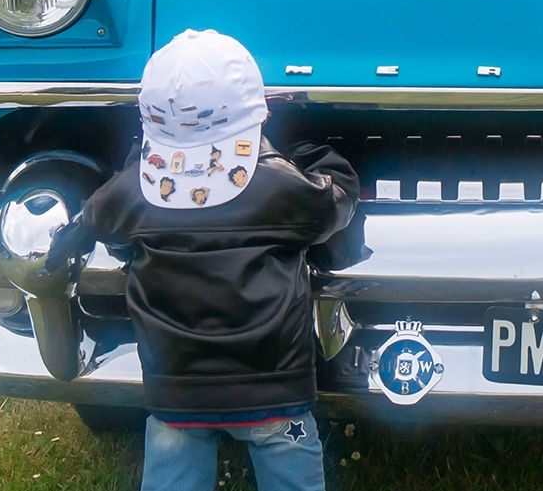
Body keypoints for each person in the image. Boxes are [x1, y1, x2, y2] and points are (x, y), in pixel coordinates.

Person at [48, 29, 358, 491]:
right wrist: (313, 158)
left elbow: (91, 222)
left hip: (176, 392)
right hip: (277, 388)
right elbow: (334, 204)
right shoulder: (278, 187)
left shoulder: (134, 190)